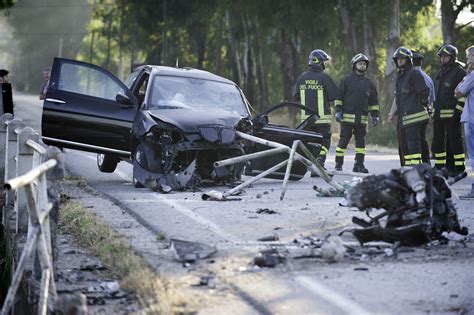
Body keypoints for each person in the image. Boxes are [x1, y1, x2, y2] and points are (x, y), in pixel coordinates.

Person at [293, 49, 339, 169]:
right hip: (322, 118)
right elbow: (334, 95)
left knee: (311, 143)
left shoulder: (301, 78)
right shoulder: (324, 78)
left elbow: (296, 96)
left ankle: (314, 165)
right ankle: (320, 161)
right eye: (324, 62)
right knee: (324, 142)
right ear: (319, 62)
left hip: (307, 120)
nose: (325, 64)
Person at [334, 53, 379, 173]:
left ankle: (359, 165)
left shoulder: (369, 83)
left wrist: (375, 115)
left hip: (362, 120)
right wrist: (338, 111)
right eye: (360, 63)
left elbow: (373, 101)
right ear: (354, 65)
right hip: (347, 120)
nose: (362, 66)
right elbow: (339, 98)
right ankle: (338, 164)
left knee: (361, 145)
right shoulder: (346, 80)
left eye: (364, 64)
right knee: (343, 142)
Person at [432, 45, 466, 177]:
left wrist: (457, 112)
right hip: (439, 114)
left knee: (454, 139)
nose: (442, 59)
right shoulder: (440, 73)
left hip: (453, 114)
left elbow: (463, 95)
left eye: (445, 56)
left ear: (452, 57)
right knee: (438, 140)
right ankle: (440, 166)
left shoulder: (459, 72)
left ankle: (458, 166)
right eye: (441, 56)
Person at [393, 46, 430, 166]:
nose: (399, 61)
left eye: (402, 59)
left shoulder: (414, 73)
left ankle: (417, 170)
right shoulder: (400, 77)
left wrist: (420, 105)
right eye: (398, 59)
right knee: (405, 147)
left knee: (413, 146)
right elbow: (399, 99)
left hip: (414, 118)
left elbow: (424, 92)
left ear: (408, 59)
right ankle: (409, 170)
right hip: (403, 119)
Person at [455, 45, 474, 199]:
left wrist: (467, 75)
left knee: (473, 156)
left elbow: (458, 92)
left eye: (468, 57)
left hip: (472, 119)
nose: (467, 60)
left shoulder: (472, 75)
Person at [412, 51, 435, 164]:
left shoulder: (413, 77)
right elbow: (432, 100)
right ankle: (426, 164)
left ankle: (417, 165)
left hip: (414, 114)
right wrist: (430, 114)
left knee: (414, 141)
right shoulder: (428, 78)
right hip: (425, 114)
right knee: (422, 139)